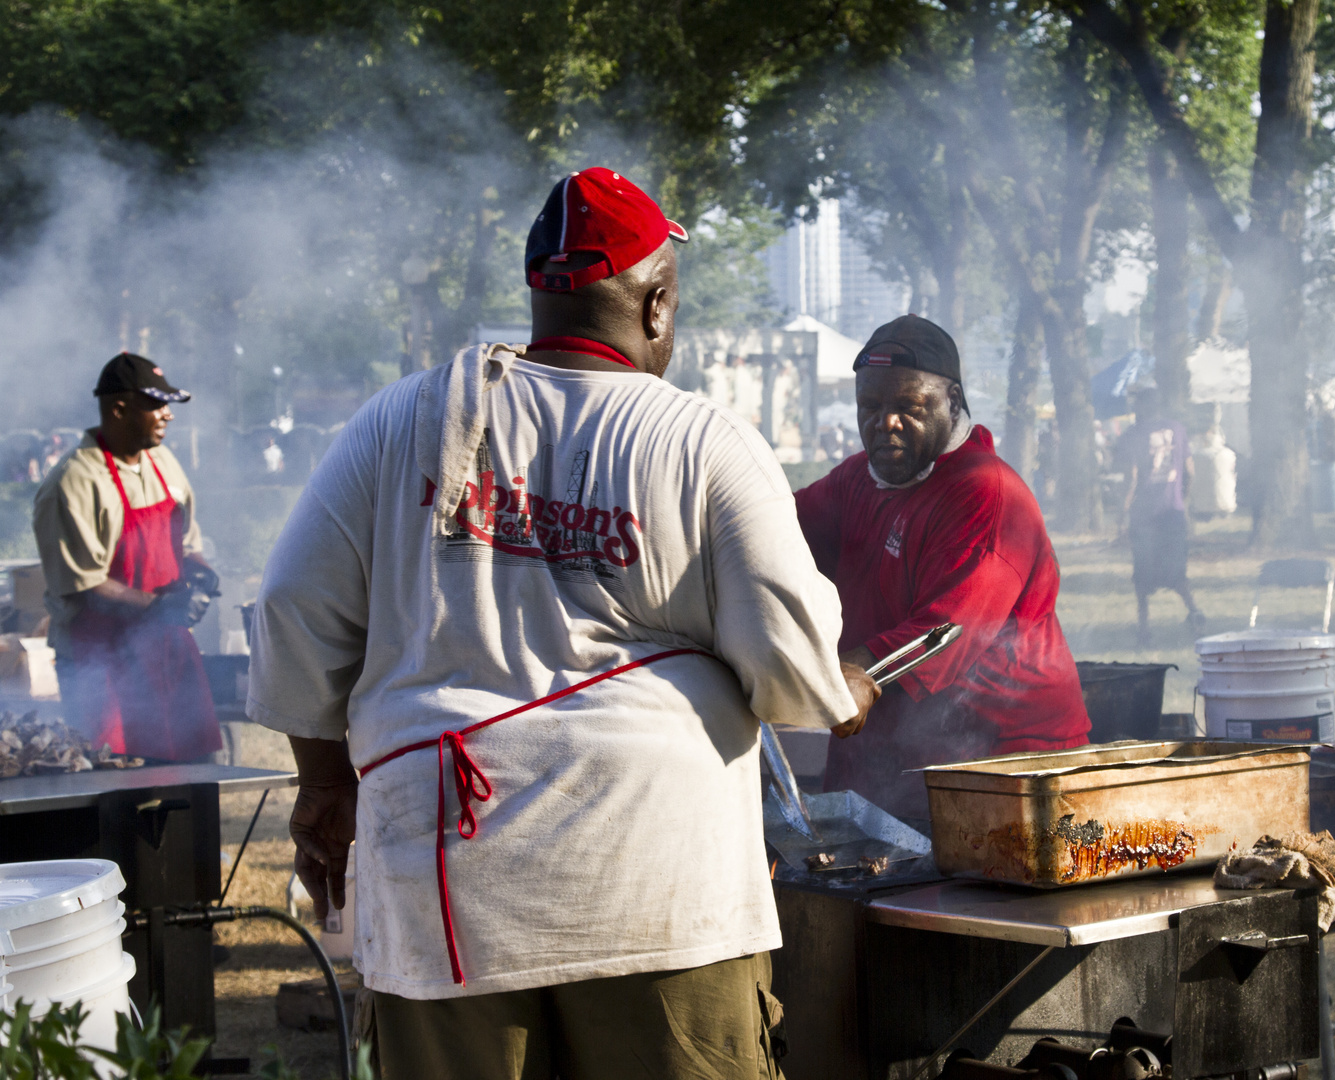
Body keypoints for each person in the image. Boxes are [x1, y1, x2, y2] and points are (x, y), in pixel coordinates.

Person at [247, 167, 877, 1080]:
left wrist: (323, 785)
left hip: (445, 889)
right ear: (656, 305)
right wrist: (844, 689)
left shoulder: (401, 419)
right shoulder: (702, 440)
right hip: (657, 891)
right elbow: (794, 669)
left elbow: (292, 609)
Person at [794, 315, 1089, 822]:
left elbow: (949, 631)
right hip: (900, 746)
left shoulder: (987, 495)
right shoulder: (859, 480)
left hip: (1006, 765)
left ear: (952, 402)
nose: (885, 423)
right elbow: (776, 535)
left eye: (909, 407)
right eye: (871, 406)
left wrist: (857, 670)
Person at [33, 353, 221, 761]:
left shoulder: (163, 463)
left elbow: (186, 543)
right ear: (119, 409)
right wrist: (162, 607)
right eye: (156, 405)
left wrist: (203, 576)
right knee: (115, 793)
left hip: (167, 653)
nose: (168, 415)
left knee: (188, 785)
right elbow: (86, 587)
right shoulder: (74, 481)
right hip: (99, 666)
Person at [1117, 386, 1204, 647]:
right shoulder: (1177, 429)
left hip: (1145, 516)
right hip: (1173, 513)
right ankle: (1195, 611)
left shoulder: (1134, 434)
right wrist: (1182, 501)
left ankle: (1144, 629)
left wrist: (1122, 513)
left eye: (1137, 404)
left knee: (1142, 575)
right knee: (1176, 570)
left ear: (1143, 406)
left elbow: (1132, 478)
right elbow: (1190, 470)